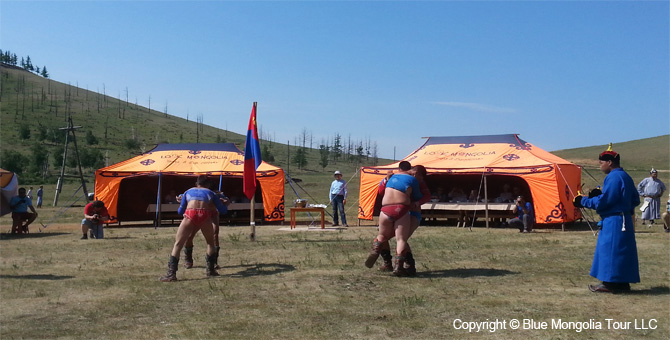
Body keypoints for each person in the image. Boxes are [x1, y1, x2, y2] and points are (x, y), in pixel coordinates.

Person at [573, 144, 640, 293]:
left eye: (601, 162)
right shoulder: (625, 176)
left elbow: (605, 201)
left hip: (614, 221)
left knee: (610, 251)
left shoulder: (614, 177)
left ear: (609, 162)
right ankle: (622, 283)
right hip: (625, 219)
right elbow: (635, 200)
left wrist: (583, 201)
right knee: (622, 251)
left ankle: (609, 284)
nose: (600, 165)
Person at [160, 175, 228, 282]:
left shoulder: (188, 192)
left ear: (197, 184)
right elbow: (223, 211)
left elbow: (180, 211)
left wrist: (184, 203)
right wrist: (225, 203)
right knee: (210, 243)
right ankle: (210, 270)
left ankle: (171, 274)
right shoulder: (212, 193)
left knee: (178, 244)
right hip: (205, 215)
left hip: (190, 214)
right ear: (208, 185)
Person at [365, 161, 422, 276]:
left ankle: (376, 249)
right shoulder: (412, 179)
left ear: (399, 168)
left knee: (382, 235)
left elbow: (380, 191)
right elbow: (417, 197)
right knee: (401, 239)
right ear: (409, 169)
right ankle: (398, 266)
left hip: (385, 209)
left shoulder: (390, 178)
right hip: (401, 208)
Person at [181, 190, 230, 269]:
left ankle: (213, 261)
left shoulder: (216, 194)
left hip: (212, 213)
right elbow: (183, 196)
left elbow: (226, 201)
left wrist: (226, 201)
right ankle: (188, 259)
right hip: (198, 213)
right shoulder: (194, 191)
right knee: (189, 235)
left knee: (214, 234)